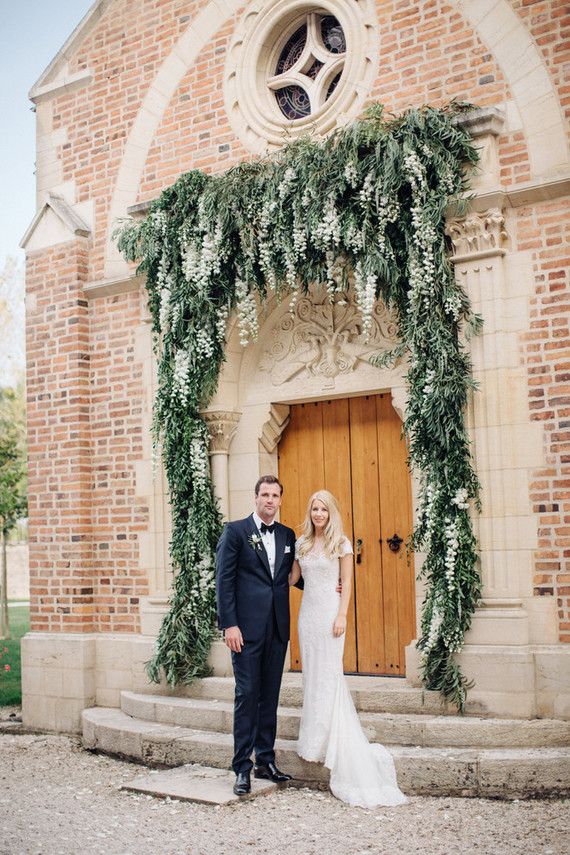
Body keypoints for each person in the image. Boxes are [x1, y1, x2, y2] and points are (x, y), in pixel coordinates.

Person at [289, 490, 407, 808]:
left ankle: (334, 742)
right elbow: (292, 578)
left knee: (329, 675)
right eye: (314, 508)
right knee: (312, 677)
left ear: (331, 512)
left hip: (330, 616)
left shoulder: (340, 543)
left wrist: (342, 614)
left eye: (323, 509)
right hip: (308, 618)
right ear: (309, 511)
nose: (318, 513)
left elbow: (347, 582)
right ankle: (314, 741)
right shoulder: (301, 544)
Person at [216, 475, 296, 795]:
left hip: (277, 629)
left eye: (275, 495)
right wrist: (229, 625)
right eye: (265, 494)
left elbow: (291, 576)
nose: (270, 500)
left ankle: (265, 760)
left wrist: (330, 581)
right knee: (247, 696)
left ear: (279, 500)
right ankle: (242, 767)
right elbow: (224, 580)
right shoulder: (235, 532)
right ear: (256, 497)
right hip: (245, 631)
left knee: (270, 698)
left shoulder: (287, 535)